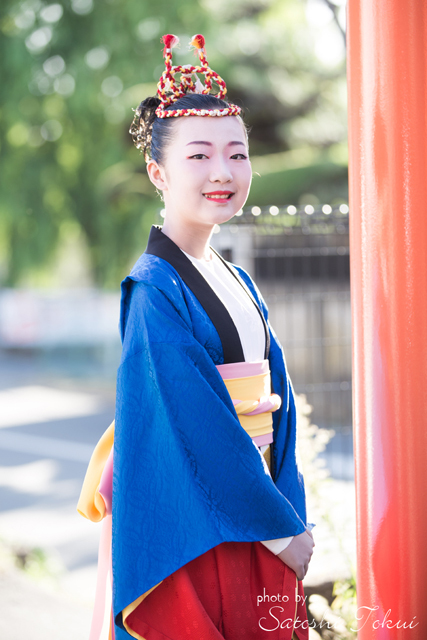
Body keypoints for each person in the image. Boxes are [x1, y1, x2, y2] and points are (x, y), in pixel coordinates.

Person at [78, 33, 315, 640]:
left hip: (255, 499)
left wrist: (285, 506)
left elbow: (279, 406)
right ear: (157, 171)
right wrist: (282, 529)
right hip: (203, 518)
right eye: (200, 156)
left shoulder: (234, 276)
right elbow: (195, 423)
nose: (223, 172)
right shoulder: (154, 288)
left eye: (237, 155)